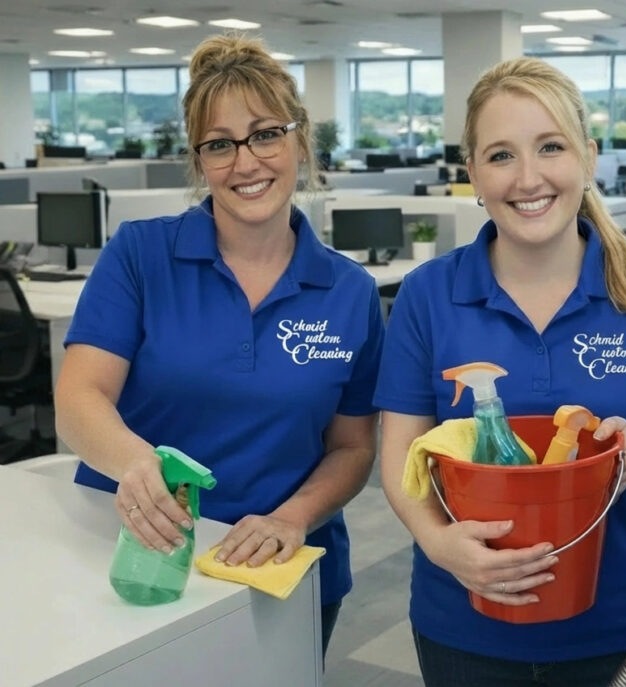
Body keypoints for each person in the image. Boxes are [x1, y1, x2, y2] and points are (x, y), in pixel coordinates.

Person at [373, 57, 626, 686]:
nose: (528, 178)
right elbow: (400, 456)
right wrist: (438, 545)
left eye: (549, 147)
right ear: (472, 173)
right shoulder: (426, 297)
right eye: (501, 155)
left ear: (586, 156)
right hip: (466, 625)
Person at [54, 34, 383, 656]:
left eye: (265, 133)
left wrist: (294, 516)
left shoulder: (349, 291)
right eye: (220, 144)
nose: (246, 161)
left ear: (299, 140)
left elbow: (352, 447)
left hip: (277, 569)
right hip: (137, 556)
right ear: (199, 159)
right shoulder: (140, 253)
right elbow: (79, 395)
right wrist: (135, 464)